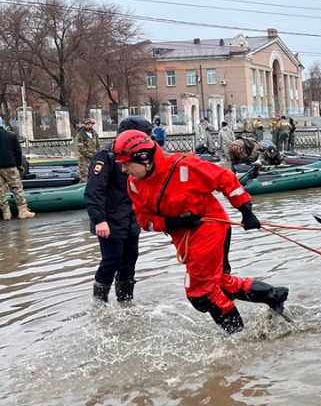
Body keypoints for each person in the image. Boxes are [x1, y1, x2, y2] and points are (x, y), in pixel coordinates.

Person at [113, 130, 289, 333]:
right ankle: (272, 295)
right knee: (216, 283)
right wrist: (171, 223)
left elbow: (224, 178)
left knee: (200, 293)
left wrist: (244, 210)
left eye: (126, 163)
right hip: (185, 237)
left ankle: (237, 334)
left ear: (144, 158)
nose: (124, 169)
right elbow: (145, 220)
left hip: (211, 227)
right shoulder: (134, 185)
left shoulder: (183, 166)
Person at [84, 116, 152, 303]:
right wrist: (99, 220)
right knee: (112, 259)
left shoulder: (140, 155)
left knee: (130, 259)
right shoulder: (107, 155)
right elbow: (93, 190)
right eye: (144, 135)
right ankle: (99, 304)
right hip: (110, 218)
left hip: (131, 217)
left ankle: (125, 302)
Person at [0, 126, 35, 220]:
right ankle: (23, 211)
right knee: (17, 188)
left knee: (1, 191)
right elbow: (18, 152)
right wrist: (19, 165)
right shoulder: (11, 135)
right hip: (9, 166)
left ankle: (6, 213)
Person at [75, 118, 101, 183]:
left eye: (90, 124)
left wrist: (98, 153)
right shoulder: (80, 134)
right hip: (84, 159)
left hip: (93, 157)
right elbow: (81, 148)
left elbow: (97, 145)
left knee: (94, 174)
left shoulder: (94, 133)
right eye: (87, 124)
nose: (88, 126)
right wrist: (90, 155)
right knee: (85, 176)